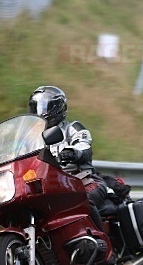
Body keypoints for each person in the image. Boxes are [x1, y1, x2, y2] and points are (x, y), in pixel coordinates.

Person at [27, 86, 115, 232]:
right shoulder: (32, 138)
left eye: (44, 107)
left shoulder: (72, 128)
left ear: (58, 108)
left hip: (83, 180)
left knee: (84, 199)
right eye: (36, 107)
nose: (40, 112)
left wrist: (73, 153)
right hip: (54, 186)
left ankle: (105, 246)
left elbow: (85, 147)